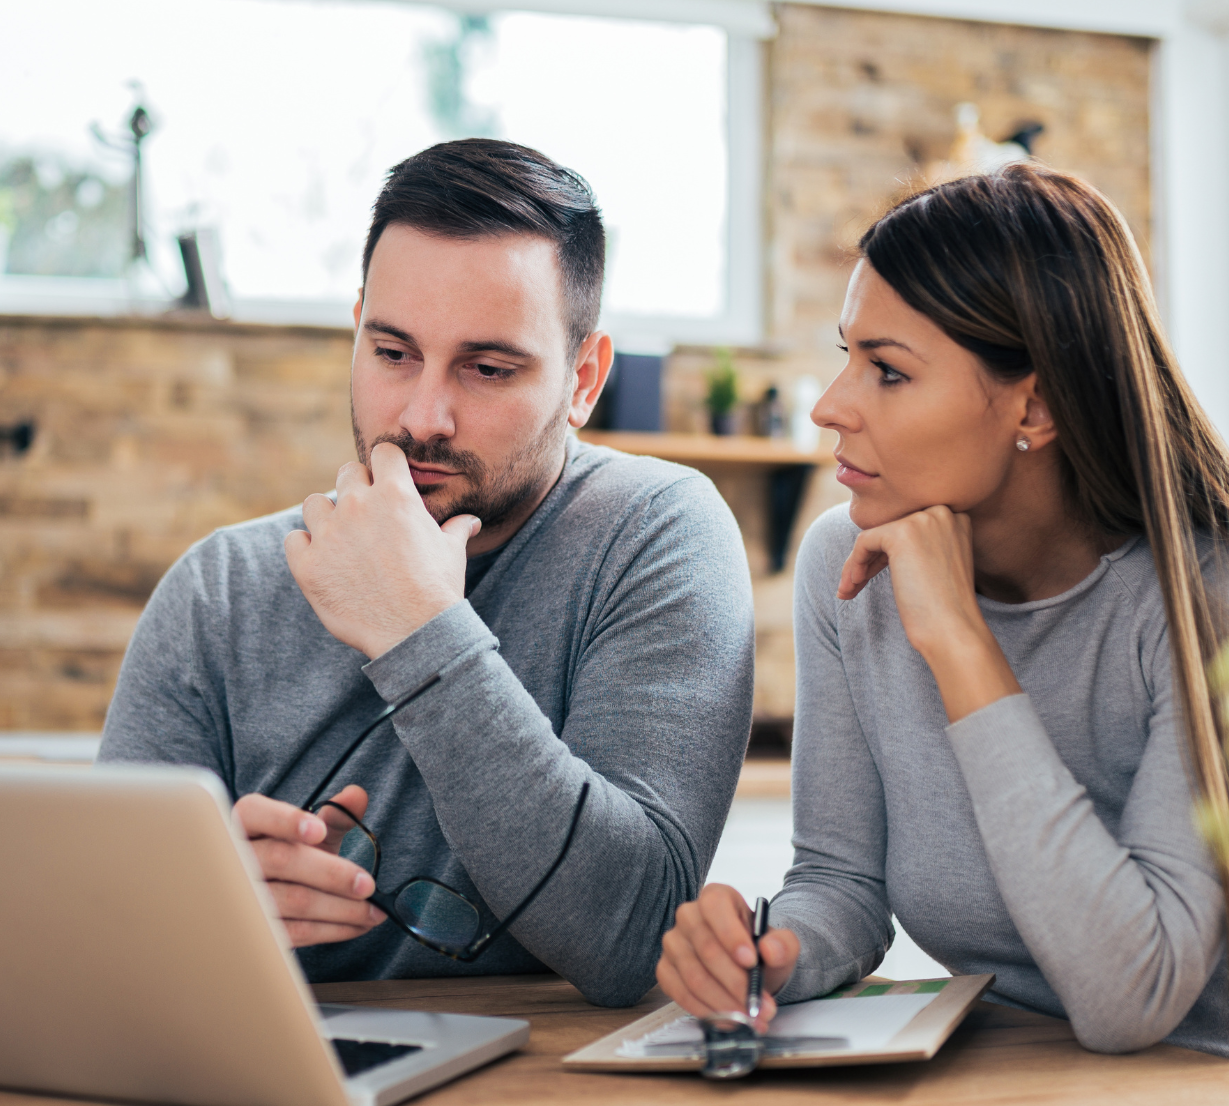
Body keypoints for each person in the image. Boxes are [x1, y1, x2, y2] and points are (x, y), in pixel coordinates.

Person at [656, 162, 1229, 1073]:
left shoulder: (1216, 610)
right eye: (847, 357)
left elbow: (1128, 999)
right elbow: (842, 885)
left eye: (888, 371)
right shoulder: (848, 564)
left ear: (1037, 403)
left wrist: (959, 642)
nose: (831, 406)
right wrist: (773, 952)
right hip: (1019, 1088)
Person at [100, 139, 754, 1006]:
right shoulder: (221, 589)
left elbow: (630, 937)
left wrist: (415, 624)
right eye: (393, 353)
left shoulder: (654, 534)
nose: (422, 417)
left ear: (583, 379)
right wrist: (193, 914)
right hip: (282, 1075)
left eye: (487, 369)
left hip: (556, 1099)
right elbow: (102, 938)